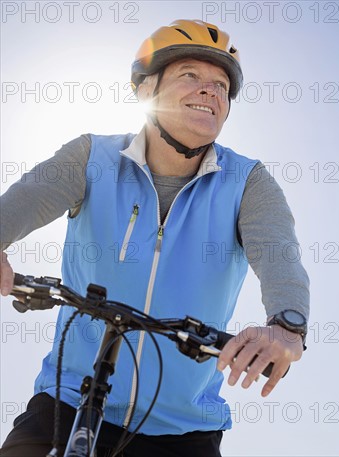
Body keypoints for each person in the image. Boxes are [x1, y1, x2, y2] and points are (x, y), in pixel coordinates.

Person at [0, 19, 310, 457]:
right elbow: (24, 201)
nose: (211, 92)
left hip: (183, 429)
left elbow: (281, 257)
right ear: (146, 89)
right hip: (67, 401)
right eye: (190, 76)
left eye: (221, 85)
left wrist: (286, 326)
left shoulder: (248, 182)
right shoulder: (92, 157)